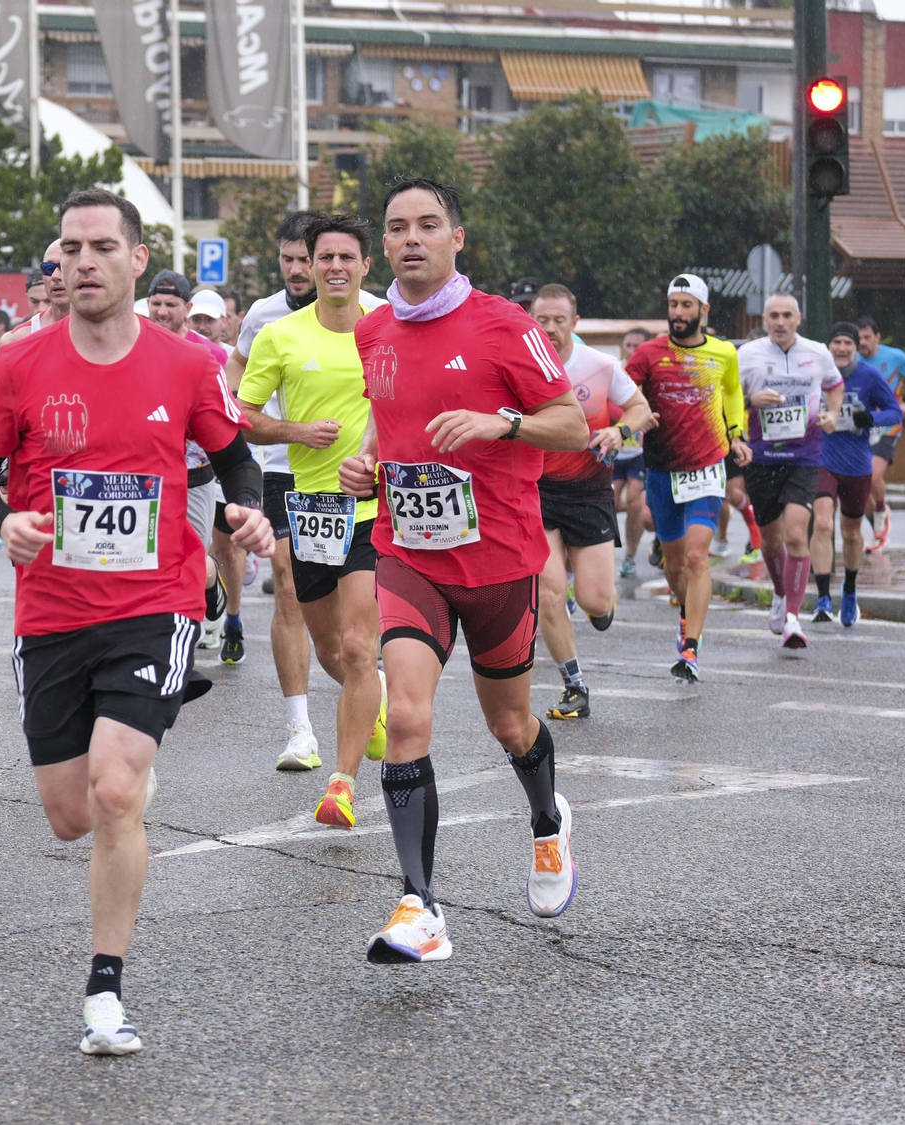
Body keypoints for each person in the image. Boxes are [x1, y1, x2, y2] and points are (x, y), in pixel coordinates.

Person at [0, 187, 271, 1054]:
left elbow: (238, 463)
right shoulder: (17, 364)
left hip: (155, 602)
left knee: (114, 791)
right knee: (67, 814)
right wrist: (0, 523)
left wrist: (250, 512)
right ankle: (122, 771)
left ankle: (105, 989)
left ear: (137, 259)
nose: (81, 261)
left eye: (100, 246)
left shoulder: (188, 363)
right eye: (68, 249)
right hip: (52, 610)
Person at [338, 177, 588, 963]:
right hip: (409, 551)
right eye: (397, 228)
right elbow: (393, 419)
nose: (411, 238)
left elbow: (573, 425)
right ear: (385, 245)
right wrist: (372, 461)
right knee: (406, 717)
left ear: (457, 238)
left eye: (428, 225)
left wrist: (501, 421)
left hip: (501, 557)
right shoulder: (372, 331)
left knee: (509, 724)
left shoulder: (504, 326)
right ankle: (421, 903)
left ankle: (548, 822)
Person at [236, 212, 388, 826]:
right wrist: (296, 430)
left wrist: (376, 457)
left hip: (374, 509)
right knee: (330, 649)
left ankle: (342, 784)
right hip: (310, 507)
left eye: (345, 258)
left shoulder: (388, 327)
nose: (333, 268)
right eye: (323, 257)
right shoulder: (280, 334)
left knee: (358, 645)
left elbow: (403, 401)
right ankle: (370, 704)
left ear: (364, 266)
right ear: (309, 263)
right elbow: (241, 414)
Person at [529, 284, 651, 720]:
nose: (550, 328)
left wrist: (620, 432)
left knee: (596, 601)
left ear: (574, 323)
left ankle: (602, 601)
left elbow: (639, 407)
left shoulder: (599, 366)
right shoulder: (518, 366)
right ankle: (574, 685)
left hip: (589, 491)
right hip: (536, 491)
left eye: (559, 320)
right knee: (548, 590)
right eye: (542, 320)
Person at [624, 274, 748, 683]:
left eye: (686, 306)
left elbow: (732, 394)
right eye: (673, 305)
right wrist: (633, 419)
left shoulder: (724, 353)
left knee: (697, 557)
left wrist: (736, 435)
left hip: (707, 468)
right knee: (675, 566)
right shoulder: (648, 353)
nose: (678, 313)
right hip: (662, 470)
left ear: (703, 311)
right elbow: (623, 392)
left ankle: (690, 648)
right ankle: (685, 612)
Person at [145, 269, 241, 661]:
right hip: (149, 478)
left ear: (186, 308)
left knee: (195, 563)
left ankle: (213, 589)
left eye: (171, 305)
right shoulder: (136, 347)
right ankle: (166, 646)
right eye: (156, 304)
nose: (163, 312)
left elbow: (231, 416)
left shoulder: (212, 355)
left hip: (198, 477)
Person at [736, 294, 841, 649]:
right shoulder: (746, 356)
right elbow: (725, 397)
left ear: (799, 318)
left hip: (804, 455)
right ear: (764, 319)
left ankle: (794, 619)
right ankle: (781, 594)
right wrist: (751, 402)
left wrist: (833, 414)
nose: (780, 322)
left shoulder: (818, 352)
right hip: (760, 456)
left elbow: (834, 384)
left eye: (786, 316)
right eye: (773, 316)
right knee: (771, 540)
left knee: (797, 535)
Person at [814, 322, 903, 628]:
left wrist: (871, 417)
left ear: (855, 348)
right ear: (828, 347)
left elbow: (895, 411)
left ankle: (849, 589)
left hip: (856, 462)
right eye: (836, 342)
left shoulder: (868, 376)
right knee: (823, 523)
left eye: (847, 343)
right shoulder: (816, 373)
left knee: (850, 532)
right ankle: (823, 597)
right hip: (822, 458)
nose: (841, 348)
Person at [854, 316, 905, 551]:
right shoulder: (851, 358)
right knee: (859, 488)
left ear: (877, 338)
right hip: (861, 425)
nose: (862, 342)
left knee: (873, 476)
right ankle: (878, 531)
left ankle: (882, 508)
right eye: (859, 338)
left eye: (866, 337)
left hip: (887, 424)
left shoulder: (894, 356)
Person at [613, 325, 652, 578]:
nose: (631, 351)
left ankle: (629, 555)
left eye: (637, 346)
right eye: (628, 345)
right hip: (614, 451)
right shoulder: (612, 371)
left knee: (635, 502)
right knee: (615, 503)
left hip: (639, 453)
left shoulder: (650, 377)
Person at [3, 242, 67, 344]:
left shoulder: (99, 331)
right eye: (48, 268)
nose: (55, 276)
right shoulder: (20, 338)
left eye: (64, 267)